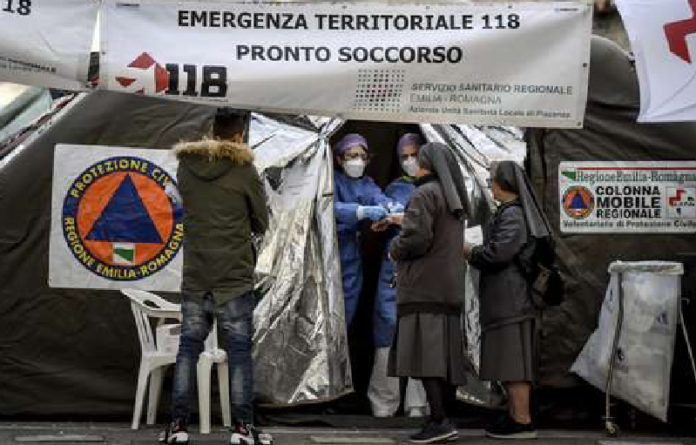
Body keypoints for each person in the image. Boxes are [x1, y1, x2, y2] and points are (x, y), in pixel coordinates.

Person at [160, 109, 273, 445]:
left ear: (212, 132)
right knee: (238, 353)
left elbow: (184, 212)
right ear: (239, 136)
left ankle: (178, 427)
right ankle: (242, 430)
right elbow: (261, 223)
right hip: (233, 278)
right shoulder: (245, 171)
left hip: (196, 275)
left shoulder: (186, 168)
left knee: (187, 350)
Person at [464, 161, 551, 440]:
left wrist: (469, 250)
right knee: (509, 362)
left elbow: (498, 254)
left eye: (492, 181)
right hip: (509, 299)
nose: (490, 185)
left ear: (504, 184)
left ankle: (522, 420)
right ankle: (515, 416)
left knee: (514, 363)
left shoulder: (513, 215)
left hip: (511, 300)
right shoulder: (512, 212)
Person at [388, 142, 469, 444]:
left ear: (427, 165)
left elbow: (416, 239)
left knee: (425, 356)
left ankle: (439, 420)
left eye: (417, 160)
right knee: (443, 357)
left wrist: (394, 249)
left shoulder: (423, 194)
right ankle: (444, 418)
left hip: (423, 285)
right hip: (447, 286)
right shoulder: (451, 196)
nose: (412, 165)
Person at [367, 133, 428, 418]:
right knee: (387, 333)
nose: (409, 161)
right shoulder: (394, 188)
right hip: (393, 270)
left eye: (414, 154)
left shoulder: (435, 188)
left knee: (421, 334)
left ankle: (417, 403)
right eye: (403, 156)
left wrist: (395, 218)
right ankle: (383, 403)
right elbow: (383, 211)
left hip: (423, 268)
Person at [333, 133, 401, 328]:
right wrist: (360, 211)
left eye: (362, 157)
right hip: (330, 245)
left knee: (348, 304)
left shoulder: (366, 183)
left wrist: (390, 206)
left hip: (350, 250)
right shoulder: (330, 180)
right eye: (352, 156)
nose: (358, 161)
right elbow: (328, 206)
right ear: (339, 159)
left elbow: (377, 197)